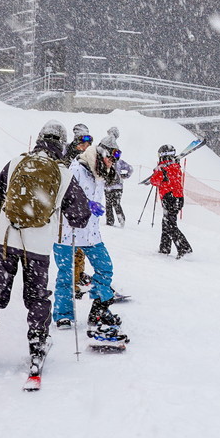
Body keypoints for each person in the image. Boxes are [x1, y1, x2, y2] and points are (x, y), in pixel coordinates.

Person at [0, 121, 90, 380]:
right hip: (37, 248)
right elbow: (81, 215)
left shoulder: (15, 163)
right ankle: (37, 345)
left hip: (4, 241)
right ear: (62, 143)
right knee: (37, 298)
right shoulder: (64, 174)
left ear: (38, 139)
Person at [53, 137, 125, 335]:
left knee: (105, 267)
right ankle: (63, 314)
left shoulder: (100, 172)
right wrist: (85, 205)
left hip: (91, 233)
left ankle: (99, 310)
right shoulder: (76, 169)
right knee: (66, 275)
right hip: (68, 231)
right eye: (111, 158)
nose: (112, 163)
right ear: (101, 155)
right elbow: (61, 199)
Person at [65, 124, 95, 297]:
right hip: (71, 209)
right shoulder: (71, 157)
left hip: (84, 208)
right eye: (83, 142)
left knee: (81, 247)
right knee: (74, 247)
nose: (86, 146)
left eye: (89, 142)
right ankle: (73, 281)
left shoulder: (87, 158)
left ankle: (78, 275)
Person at [149, 143, 193, 258]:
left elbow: (154, 181)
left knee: (170, 224)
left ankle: (184, 248)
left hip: (169, 198)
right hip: (178, 198)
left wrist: (156, 171)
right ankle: (164, 248)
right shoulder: (176, 166)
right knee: (166, 222)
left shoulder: (162, 168)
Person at [100, 128, 130, 226]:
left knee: (108, 204)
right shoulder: (119, 161)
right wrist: (125, 175)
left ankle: (110, 221)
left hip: (107, 186)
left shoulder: (105, 147)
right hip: (118, 186)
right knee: (116, 203)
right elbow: (130, 168)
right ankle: (121, 219)